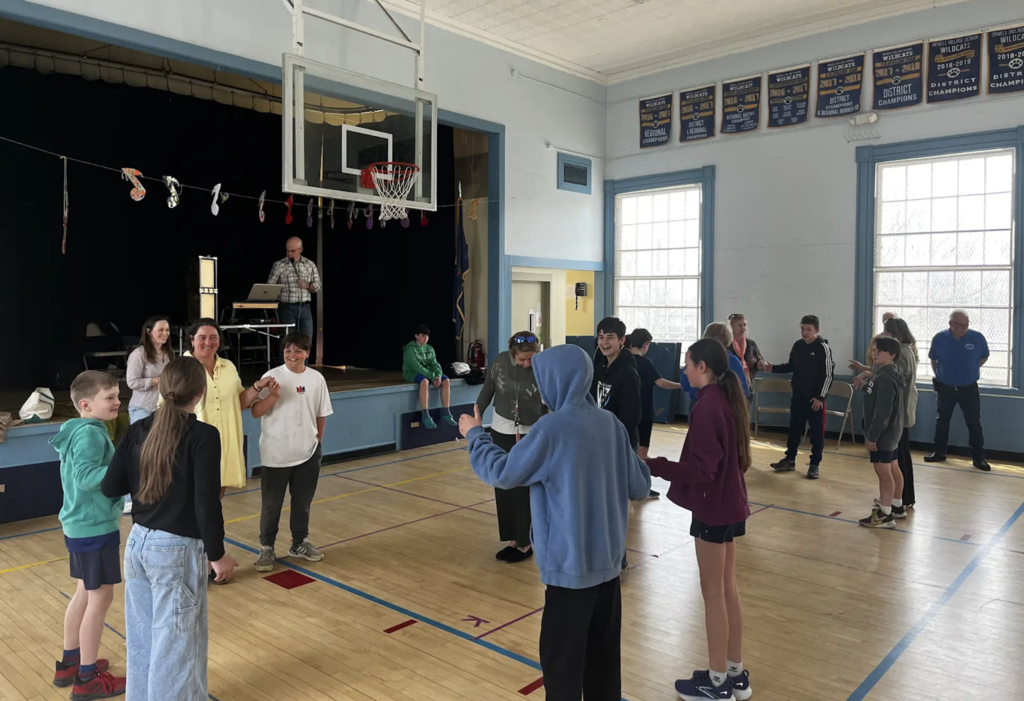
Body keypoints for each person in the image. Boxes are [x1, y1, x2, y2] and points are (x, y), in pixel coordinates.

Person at [458, 344, 652, 701]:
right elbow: (641, 485)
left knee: (562, 668)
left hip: (568, 573)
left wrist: (475, 435)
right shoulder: (609, 423)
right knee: (603, 665)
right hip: (609, 570)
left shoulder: (550, 430)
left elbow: (502, 472)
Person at [101, 357, 237, 700]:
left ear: (161, 388)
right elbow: (207, 502)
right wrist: (217, 555)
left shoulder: (139, 429)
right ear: (201, 393)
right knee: (175, 646)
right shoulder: (204, 435)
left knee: (145, 639)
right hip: (175, 552)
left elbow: (110, 486)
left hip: (137, 546)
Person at [646, 338, 752, 701]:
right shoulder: (724, 400)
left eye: (688, 364)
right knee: (727, 589)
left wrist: (654, 466)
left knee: (713, 594)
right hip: (730, 505)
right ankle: (735, 673)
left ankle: (717, 681)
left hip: (714, 508)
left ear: (702, 367)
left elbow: (703, 470)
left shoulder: (707, 408)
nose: (685, 371)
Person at [49, 370, 126, 699]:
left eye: (117, 395)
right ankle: (88, 678)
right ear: (85, 404)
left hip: (79, 526)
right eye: (109, 398)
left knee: (83, 592)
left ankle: (70, 662)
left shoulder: (75, 429)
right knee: (100, 598)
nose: (117, 402)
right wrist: (125, 468)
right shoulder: (92, 434)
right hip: (94, 528)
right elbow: (85, 477)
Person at [250, 331, 333, 571]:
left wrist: (317, 443)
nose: (292, 354)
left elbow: (321, 414)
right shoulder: (272, 376)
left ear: (307, 353)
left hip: (308, 453)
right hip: (276, 453)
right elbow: (256, 411)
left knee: (302, 502)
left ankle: (299, 542)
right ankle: (266, 547)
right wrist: (273, 396)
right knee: (271, 504)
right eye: (288, 350)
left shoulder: (317, 379)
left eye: (297, 350)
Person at [474, 331, 545, 563]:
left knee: (523, 488)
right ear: (513, 354)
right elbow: (488, 389)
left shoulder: (542, 367)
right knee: (503, 484)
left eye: (530, 359)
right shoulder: (499, 362)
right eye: (522, 359)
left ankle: (525, 542)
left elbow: (550, 399)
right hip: (501, 430)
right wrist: (477, 412)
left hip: (529, 432)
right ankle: (513, 539)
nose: (526, 364)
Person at [186, 318, 270, 501]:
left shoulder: (228, 366)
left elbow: (239, 402)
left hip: (225, 441)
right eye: (202, 337)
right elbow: (167, 407)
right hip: (192, 443)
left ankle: (210, 529)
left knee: (216, 496)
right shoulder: (181, 367)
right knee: (192, 495)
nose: (208, 343)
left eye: (213, 337)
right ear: (192, 339)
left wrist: (257, 387)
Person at [851, 317, 919, 507]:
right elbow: (880, 382)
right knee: (896, 463)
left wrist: (872, 436)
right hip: (896, 416)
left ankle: (892, 505)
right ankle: (898, 502)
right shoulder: (898, 359)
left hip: (894, 419)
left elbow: (887, 390)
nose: (874, 354)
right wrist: (867, 382)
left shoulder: (900, 357)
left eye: (887, 332)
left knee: (891, 466)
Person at [763, 315, 835, 480]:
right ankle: (790, 460)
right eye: (802, 328)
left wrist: (820, 397)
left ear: (817, 330)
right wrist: (771, 368)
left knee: (816, 433)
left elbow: (828, 375)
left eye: (808, 329)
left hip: (815, 400)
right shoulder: (797, 346)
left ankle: (814, 464)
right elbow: (790, 366)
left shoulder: (822, 347)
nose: (805, 332)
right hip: (798, 397)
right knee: (794, 429)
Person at [592, 317, 652, 511]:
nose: (604, 342)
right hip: (599, 439)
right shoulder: (599, 367)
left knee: (617, 497)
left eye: (610, 337)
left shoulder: (627, 372)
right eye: (601, 337)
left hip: (620, 441)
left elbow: (632, 415)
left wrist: (613, 436)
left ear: (622, 340)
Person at [926, 310, 990, 471]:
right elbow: (934, 359)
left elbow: (983, 357)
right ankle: (939, 452)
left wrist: (970, 370)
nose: (964, 328)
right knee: (942, 420)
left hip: (969, 388)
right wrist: (939, 376)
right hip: (946, 388)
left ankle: (978, 457)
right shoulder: (939, 338)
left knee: (974, 423)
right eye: (960, 325)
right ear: (951, 324)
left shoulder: (977, 338)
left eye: (966, 325)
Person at [124, 315, 175, 514]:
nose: (165, 334)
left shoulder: (169, 353)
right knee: (139, 455)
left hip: (163, 410)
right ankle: (128, 498)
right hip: (142, 409)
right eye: (160, 330)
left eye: (167, 330)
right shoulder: (139, 354)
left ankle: (156, 494)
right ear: (149, 331)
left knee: (160, 454)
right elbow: (132, 382)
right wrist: (157, 381)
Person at [855, 336, 906, 528]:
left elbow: (883, 411)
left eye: (879, 351)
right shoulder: (886, 372)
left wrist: (872, 436)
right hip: (892, 431)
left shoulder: (884, 377)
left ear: (892, 354)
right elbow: (872, 391)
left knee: (883, 471)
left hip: (883, 433)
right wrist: (863, 380)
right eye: (874, 350)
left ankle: (885, 514)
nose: (874, 353)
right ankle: (897, 506)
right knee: (893, 467)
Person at [627, 328, 682, 460]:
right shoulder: (645, 363)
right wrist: (681, 385)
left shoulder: (622, 360)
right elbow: (661, 383)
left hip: (626, 411)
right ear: (646, 344)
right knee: (641, 453)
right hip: (643, 412)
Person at [268, 236, 322, 359]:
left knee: (306, 341)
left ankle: (303, 372)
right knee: (288, 342)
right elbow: (270, 286)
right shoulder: (279, 265)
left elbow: (318, 285)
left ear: (301, 249)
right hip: (287, 308)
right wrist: (277, 291)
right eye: (287, 250)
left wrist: (307, 285)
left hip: (305, 308)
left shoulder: (309, 265)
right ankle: (285, 372)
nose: (289, 253)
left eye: (292, 251)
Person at [402, 324, 457, 429]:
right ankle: (425, 415)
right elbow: (417, 367)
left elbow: (434, 364)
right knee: (424, 382)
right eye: (423, 335)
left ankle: (446, 412)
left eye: (427, 335)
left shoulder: (430, 348)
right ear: (416, 336)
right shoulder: (409, 349)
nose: (425, 337)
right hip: (412, 372)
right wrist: (432, 377)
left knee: (446, 380)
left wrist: (438, 376)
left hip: (428, 372)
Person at [679, 323, 750, 400]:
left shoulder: (696, 358)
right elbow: (743, 391)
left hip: (699, 402)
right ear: (728, 339)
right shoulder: (733, 361)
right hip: (728, 405)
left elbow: (685, 385)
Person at [727, 313, 763, 388]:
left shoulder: (751, 344)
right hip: (731, 388)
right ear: (731, 327)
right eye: (739, 325)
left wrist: (761, 364)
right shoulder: (726, 344)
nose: (743, 328)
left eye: (745, 325)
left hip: (749, 386)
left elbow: (759, 360)